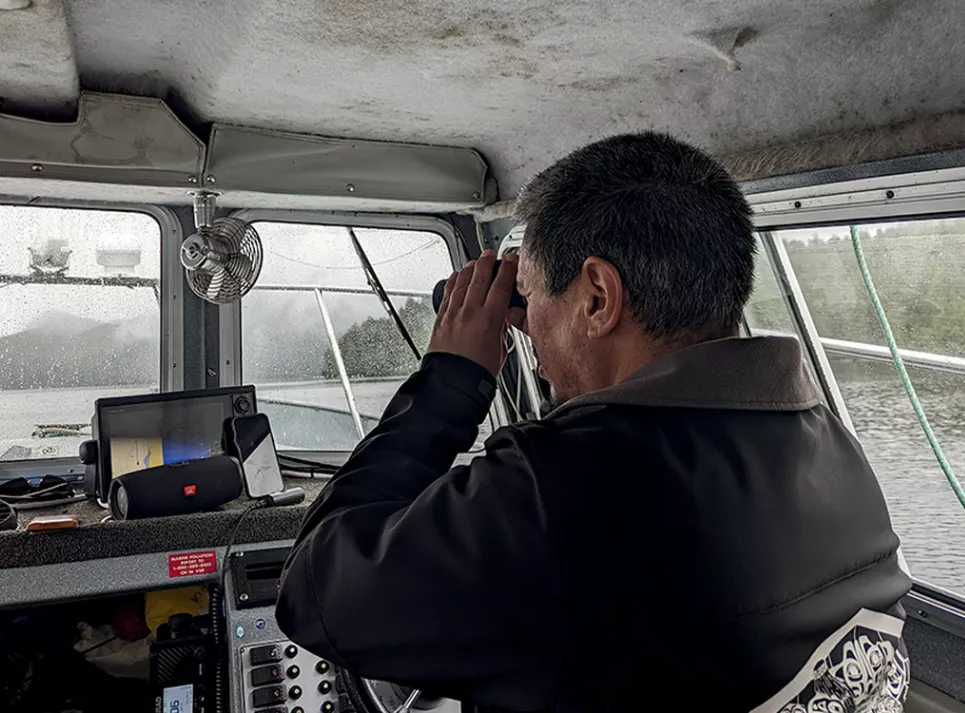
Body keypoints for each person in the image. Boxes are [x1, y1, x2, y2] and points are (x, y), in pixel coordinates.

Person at [275, 132, 911, 712]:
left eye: (534, 294)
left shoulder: (555, 489)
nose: (533, 335)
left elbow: (314, 594)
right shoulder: (838, 453)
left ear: (598, 298)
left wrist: (449, 380)